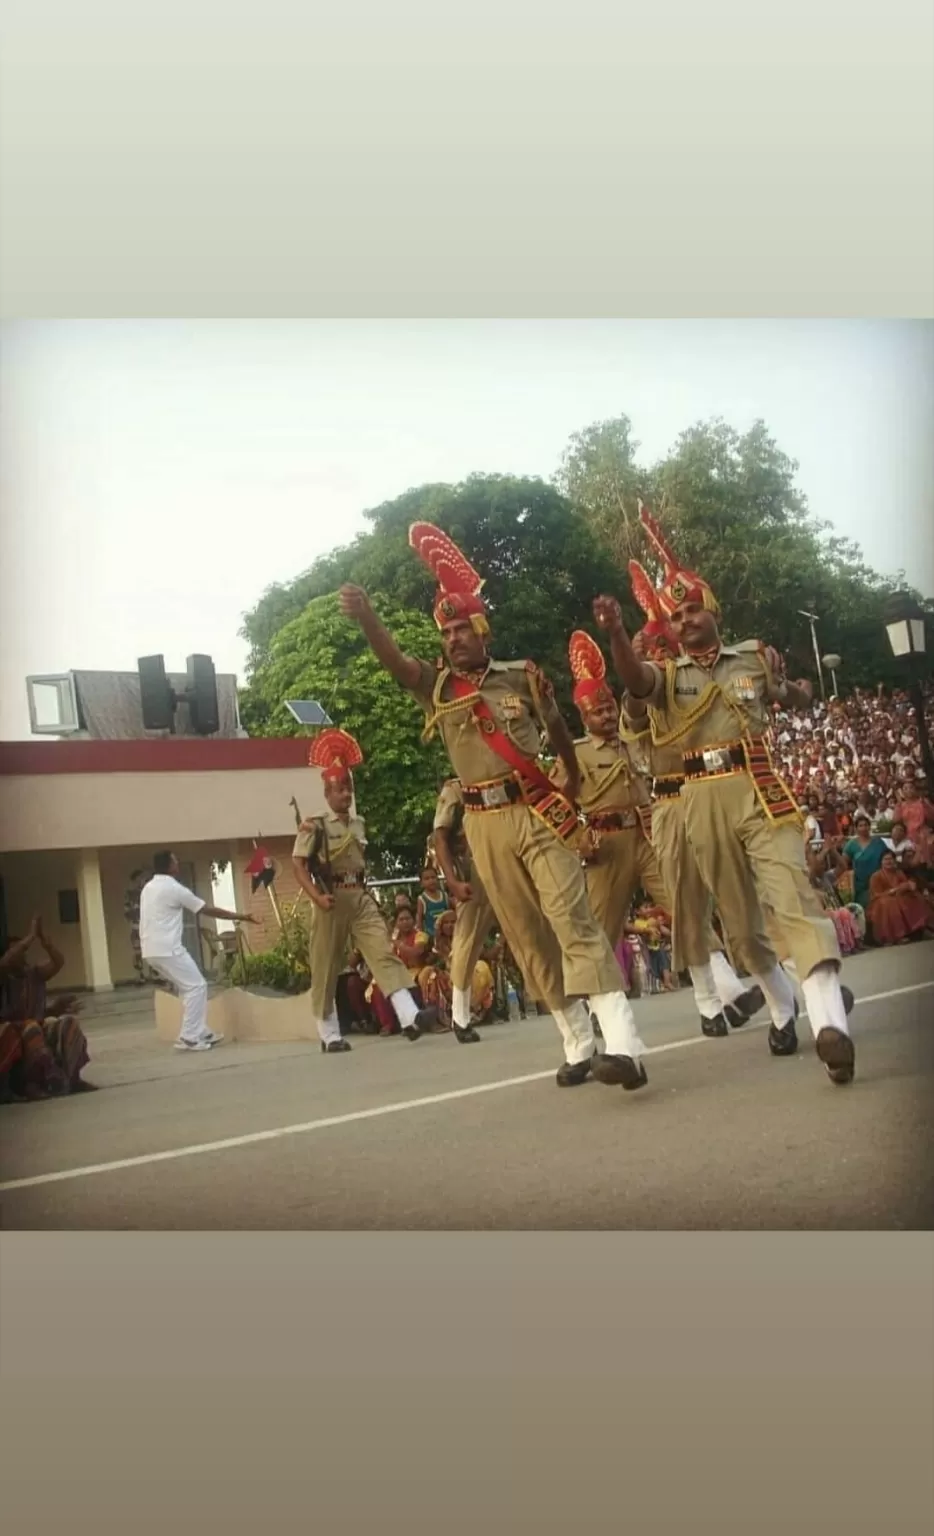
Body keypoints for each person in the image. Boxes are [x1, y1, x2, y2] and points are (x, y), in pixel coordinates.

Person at [339, 520, 649, 1093]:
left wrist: (572, 778)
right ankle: (578, 1040)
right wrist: (367, 621)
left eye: (463, 628)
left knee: (571, 918)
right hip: (482, 825)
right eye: (447, 631)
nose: (454, 638)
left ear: (483, 630)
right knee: (528, 938)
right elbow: (398, 665)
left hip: (536, 810)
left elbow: (558, 729)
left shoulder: (522, 677)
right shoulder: (436, 686)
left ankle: (625, 1044)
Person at [599, 501, 855, 1086]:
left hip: (760, 789)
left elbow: (792, 697)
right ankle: (784, 1005)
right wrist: (617, 633)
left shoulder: (750, 658)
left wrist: (799, 688)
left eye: (693, 609)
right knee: (741, 926)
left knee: (792, 897)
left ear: (712, 610)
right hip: (700, 799)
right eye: (677, 614)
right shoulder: (668, 676)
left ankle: (831, 1024)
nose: (685, 619)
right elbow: (637, 682)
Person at [621, 563, 767, 1039]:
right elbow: (637, 720)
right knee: (687, 901)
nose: (663, 652)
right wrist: (630, 663)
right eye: (656, 648)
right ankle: (709, 1000)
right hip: (670, 802)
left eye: (667, 645)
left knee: (747, 890)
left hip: (717, 789)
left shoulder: (694, 677)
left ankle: (792, 978)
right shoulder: (652, 686)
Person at [292, 727, 463, 1052]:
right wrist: (316, 896)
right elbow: (298, 866)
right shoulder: (315, 825)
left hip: (360, 897)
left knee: (383, 953)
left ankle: (410, 1017)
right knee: (326, 965)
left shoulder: (358, 824)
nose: (345, 795)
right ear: (327, 794)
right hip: (330, 899)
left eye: (348, 788)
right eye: (338, 790)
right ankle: (329, 1035)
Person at [139, 851, 257, 1051]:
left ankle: (200, 1030)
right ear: (169, 866)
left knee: (188, 988)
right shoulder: (174, 889)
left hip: (150, 950)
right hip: (168, 948)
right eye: (175, 860)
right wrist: (242, 916)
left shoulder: (148, 887)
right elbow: (206, 909)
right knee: (197, 986)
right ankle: (190, 1036)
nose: (178, 862)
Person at [0, 917, 95, 1097]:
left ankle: (73, 1078)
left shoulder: (34, 974)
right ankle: (30, 1084)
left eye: (23, 950)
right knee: (30, 1030)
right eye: (17, 950)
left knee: (68, 1024)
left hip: (34, 1025)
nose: (22, 954)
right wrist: (30, 937)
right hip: (11, 1031)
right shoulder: (4, 976)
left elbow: (58, 962)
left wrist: (46, 943)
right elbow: (5, 962)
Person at [867, 851, 933, 945]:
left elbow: (905, 885)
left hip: (899, 897)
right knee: (890, 903)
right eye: (886, 859)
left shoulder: (899, 873)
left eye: (891, 859)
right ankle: (897, 936)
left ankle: (924, 928)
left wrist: (909, 886)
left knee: (916, 897)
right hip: (880, 902)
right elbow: (875, 894)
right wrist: (893, 891)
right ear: (881, 862)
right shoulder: (876, 876)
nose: (888, 861)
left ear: (894, 861)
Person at [842, 816, 887, 916]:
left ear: (869, 827)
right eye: (860, 826)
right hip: (859, 884)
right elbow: (843, 863)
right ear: (856, 828)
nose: (863, 828)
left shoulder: (878, 842)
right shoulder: (851, 844)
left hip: (878, 881)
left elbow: (886, 858)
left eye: (866, 825)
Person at [415, 867, 451, 940]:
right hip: (430, 936)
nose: (431, 880)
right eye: (427, 879)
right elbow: (419, 919)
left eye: (433, 877)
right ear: (421, 883)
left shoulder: (445, 896)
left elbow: (450, 914)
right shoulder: (422, 899)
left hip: (446, 936)